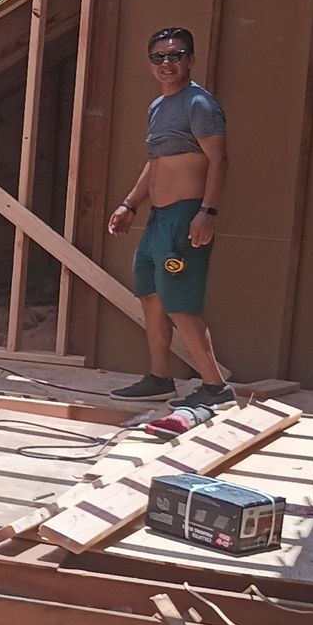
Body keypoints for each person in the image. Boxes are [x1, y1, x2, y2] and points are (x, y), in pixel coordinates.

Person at [106, 24, 232, 405]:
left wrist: (207, 211)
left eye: (176, 55)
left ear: (190, 60)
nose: (167, 63)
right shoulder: (159, 107)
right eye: (159, 56)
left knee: (180, 302)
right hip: (158, 219)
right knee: (151, 296)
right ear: (150, 64)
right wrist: (130, 204)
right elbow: (156, 163)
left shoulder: (199, 104)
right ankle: (160, 378)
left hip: (185, 217)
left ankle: (215, 388)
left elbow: (219, 160)